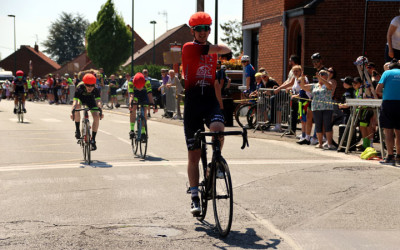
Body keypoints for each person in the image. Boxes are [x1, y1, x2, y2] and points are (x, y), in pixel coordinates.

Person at [182, 11, 231, 215]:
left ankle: (214, 163)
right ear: (193, 31)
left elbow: (226, 52)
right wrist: (225, 52)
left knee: (219, 129)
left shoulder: (212, 52)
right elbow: (225, 49)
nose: (203, 32)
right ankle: (194, 196)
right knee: (193, 155)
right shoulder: (189, 48)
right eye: (199, 29)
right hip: (193, 104)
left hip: (209, 101)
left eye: (206, 29)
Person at [299, 70, 335, 150]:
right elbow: (303, 87)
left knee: (327, 125)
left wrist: (321, 79)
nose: (320, 75)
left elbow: (330, 87)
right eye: (319, 74)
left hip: (327, 108)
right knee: (318, 125)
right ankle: (320, 143)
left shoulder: (328, 83)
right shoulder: (314, 85)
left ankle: (329, 143)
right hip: (316, 108)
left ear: (326, 76)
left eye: (322, 74)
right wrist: (302, 78)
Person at [71, 73, 104, 151]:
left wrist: (100, 110)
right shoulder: (79, 87)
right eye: (87, 85)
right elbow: (75, 101)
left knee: (96, 116)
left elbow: (98, 101)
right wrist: (72, 111)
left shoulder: (96, 89)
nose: (90, 87)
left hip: (91, 100)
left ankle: (93, 140)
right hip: (81, 99)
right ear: (84, 84)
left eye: (92, 85)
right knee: (77, 107)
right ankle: (77, 130)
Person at [376, 61, 400, 165]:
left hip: (388, 103)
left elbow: (378, 90)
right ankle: (399, 156)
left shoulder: (386, 73)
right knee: (399, 132)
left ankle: (390, 156)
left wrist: (386, 92)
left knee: (388, 131)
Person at [274, 54, 301, 135]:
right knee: (292, 112)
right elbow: (287, 81)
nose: (289, 62)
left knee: (295, 113)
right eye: (294, 71)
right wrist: (280, 87)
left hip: (297, 96)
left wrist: (279, 89)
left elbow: (291, 83)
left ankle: (280, 124)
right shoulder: (292, 71)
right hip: (293, 95)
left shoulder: (299, 74)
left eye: (290, 60)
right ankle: (288, 128)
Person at [128, 72, 157, 139]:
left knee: (144, 110)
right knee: (133, 107)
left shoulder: (147, 82)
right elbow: (131, 95)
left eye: (141, 87)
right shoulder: (131, 82)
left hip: (144, 94)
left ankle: (143, 132)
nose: (140, 88)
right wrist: (130, 105)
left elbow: (149, 94)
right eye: (138, 87)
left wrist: (153, 105)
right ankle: (132, 129)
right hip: (135, 94)